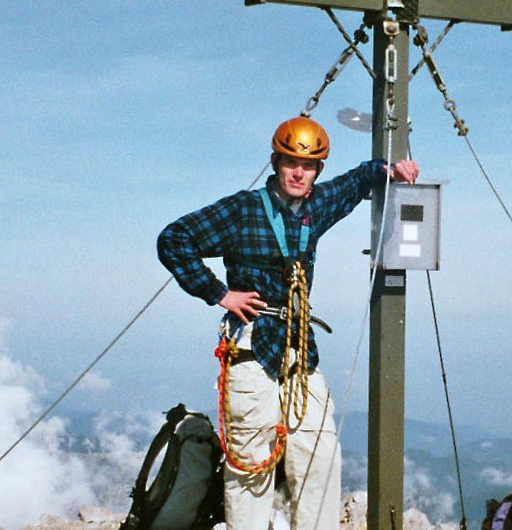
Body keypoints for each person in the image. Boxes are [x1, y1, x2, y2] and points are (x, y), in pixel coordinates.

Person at [157, 116, 419, 530]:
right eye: (290, 163)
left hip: (299, 350)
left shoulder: (315, 205)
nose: (299, 172)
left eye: (309, 165)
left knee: (320, 458)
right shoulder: (242, 210)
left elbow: (354, 183)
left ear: (317, 170)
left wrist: (388, 170)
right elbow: (174, 239)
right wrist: (219, 293)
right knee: (250, 469)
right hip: (252, 347)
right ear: (276, 163)